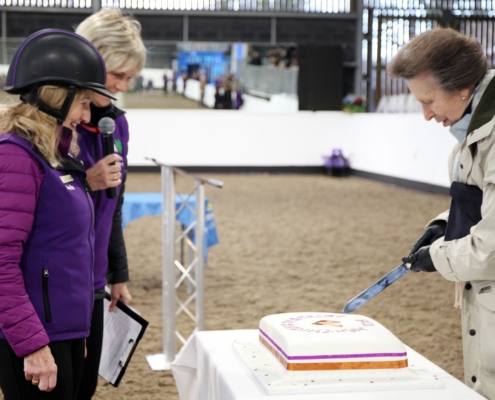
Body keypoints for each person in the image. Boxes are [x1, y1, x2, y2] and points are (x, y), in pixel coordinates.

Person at [0, 29, 115, 400]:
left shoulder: (57, 157)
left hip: (60, 333)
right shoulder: (15, 157)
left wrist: (75, 330)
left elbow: (70, 250)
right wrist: (33, 345)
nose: (85, 116)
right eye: (82, 103)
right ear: (55, 96)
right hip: (33, 342)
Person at [388, 27, 495, 399]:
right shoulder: (473, 131)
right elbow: (479, 204)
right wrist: (443, 225)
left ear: (463, 86)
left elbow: (489, 249)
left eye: (428, 101)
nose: (426, 115)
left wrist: (436, 257)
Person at [75, 8, 146, 399]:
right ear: (89, 58)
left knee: (86, 385)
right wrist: (86, 181)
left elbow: (114, 207)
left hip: (95, 280)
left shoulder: (116, 124)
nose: (121, 86)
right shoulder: (53, 122)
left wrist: (117, 274)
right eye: (117, 74)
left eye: (129, 77)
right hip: (57, 281)